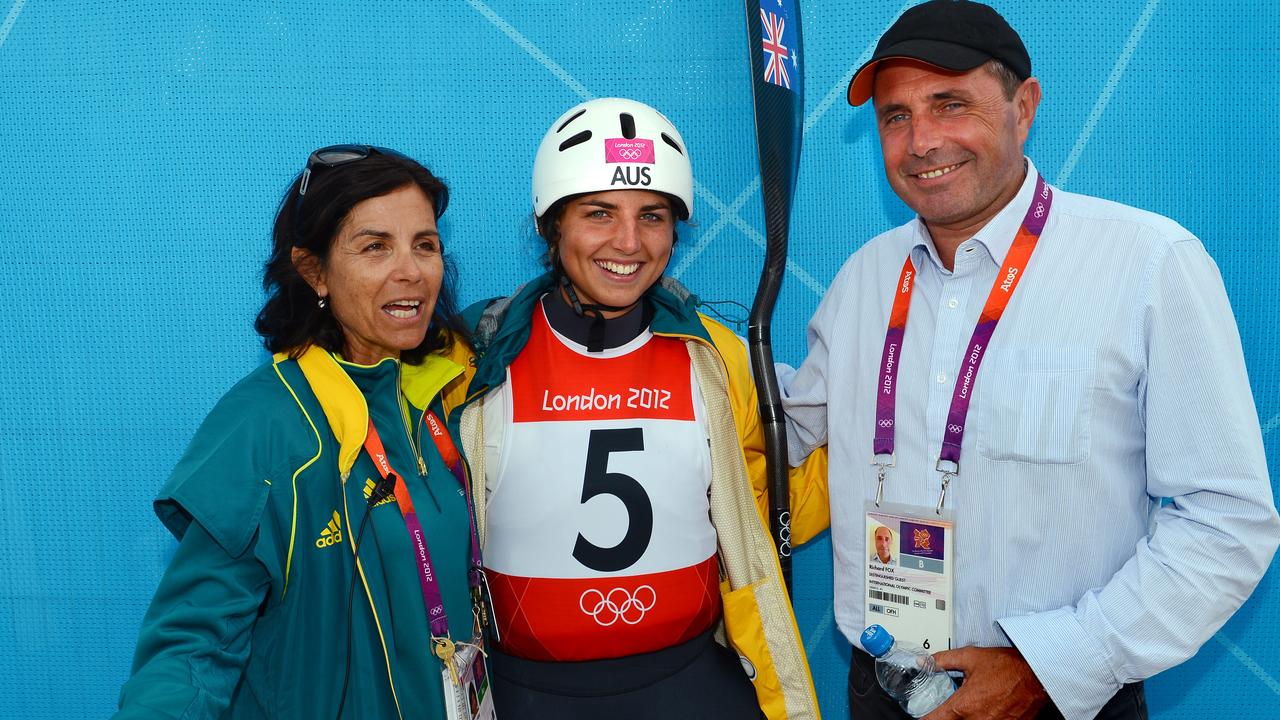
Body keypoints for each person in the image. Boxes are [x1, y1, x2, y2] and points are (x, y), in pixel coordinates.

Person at [778, 2, 1280, 719]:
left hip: (1053, 699)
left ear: (1024, 107)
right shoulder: (865, 278)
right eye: (896, 116)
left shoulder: (1147, 264)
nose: (921, 141)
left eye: (950, 104)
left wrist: (1055, 665)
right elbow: (787, 429)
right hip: (884, 689)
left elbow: (1227, 523)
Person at [443, 97, 828, 719]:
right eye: (599, 213)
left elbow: (759, 507)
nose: (628, 242)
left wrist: (867, 460)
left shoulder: (715, 354)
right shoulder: (474, 358)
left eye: (652, 216)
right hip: (527, 693)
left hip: (690, 685)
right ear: (551, 225)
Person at [114, 146, 489, 719]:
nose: (410, 270)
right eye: (374, 247)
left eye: (425, 244)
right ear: (314, 271)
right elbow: (193, 647)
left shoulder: (443, 400)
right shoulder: (264, 424)